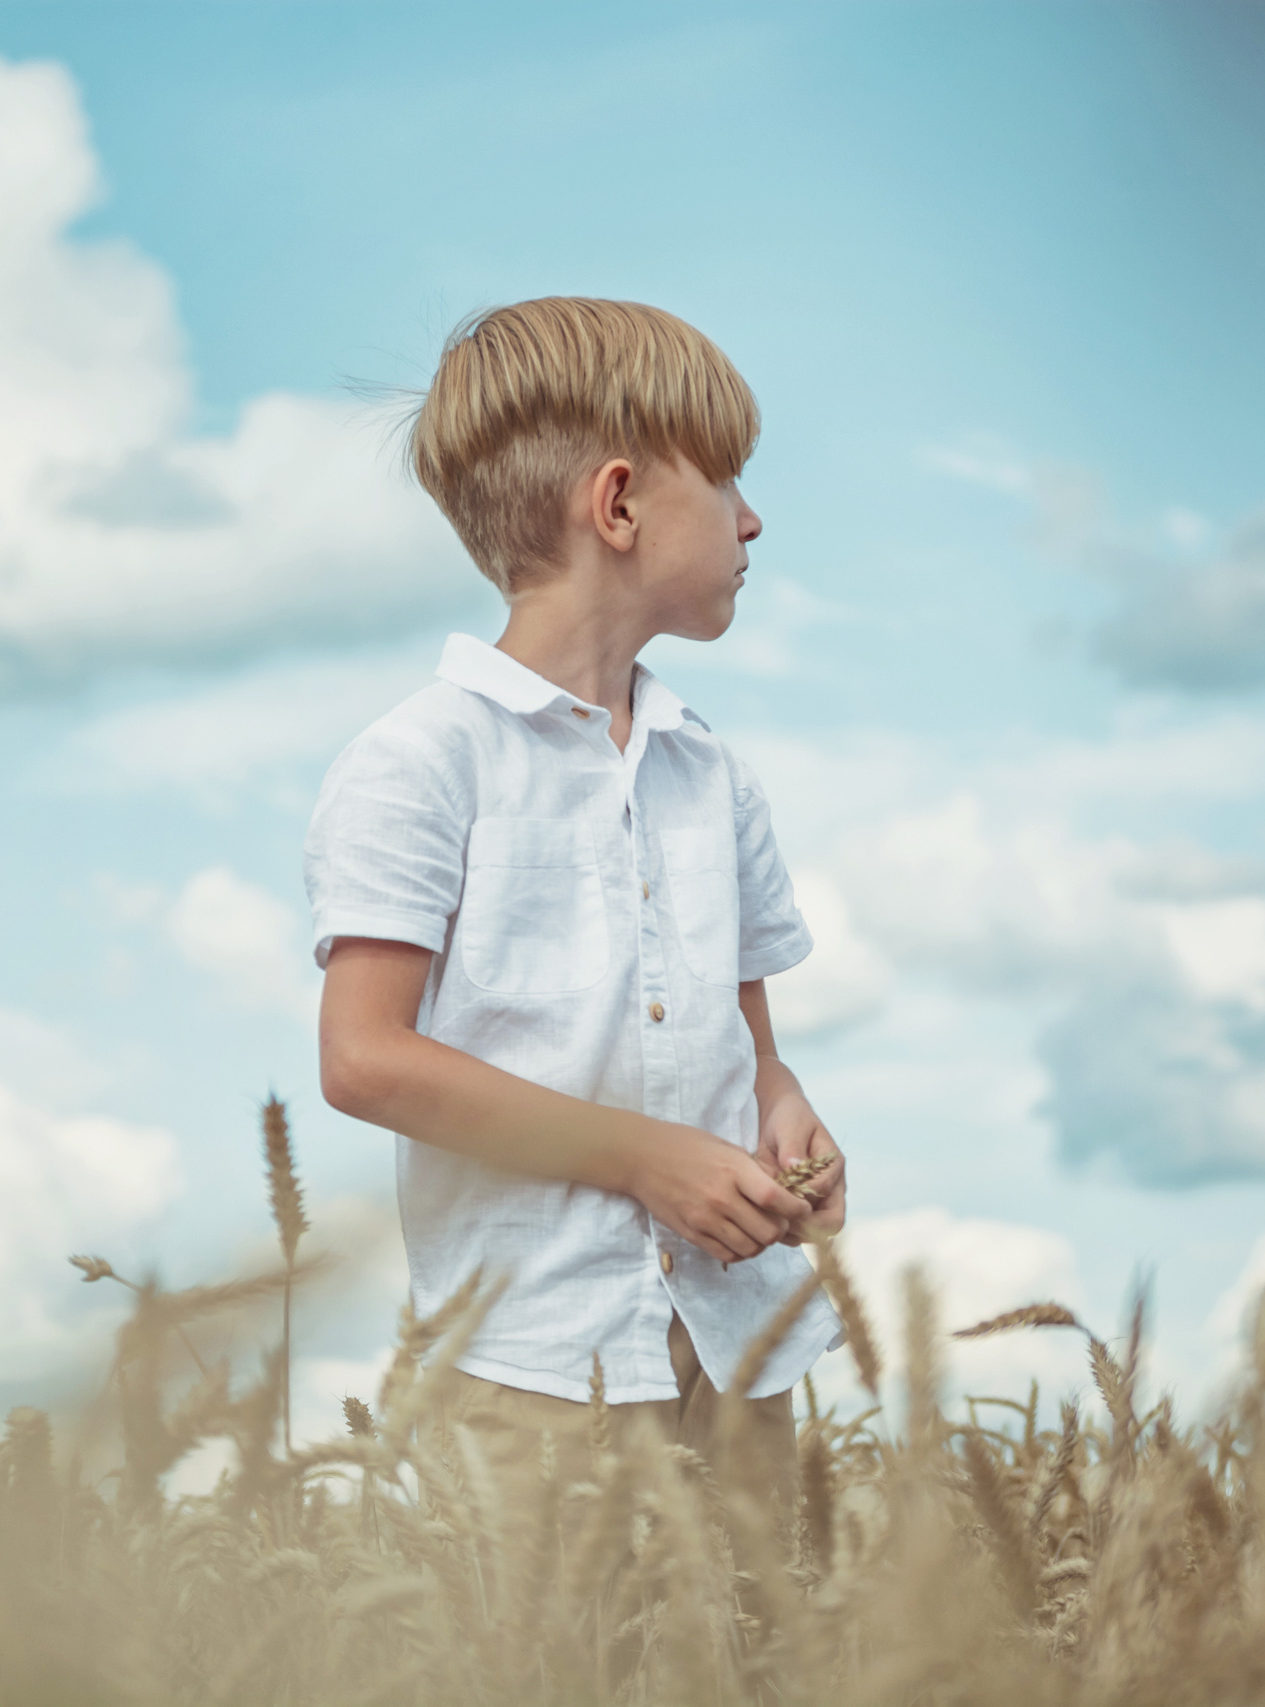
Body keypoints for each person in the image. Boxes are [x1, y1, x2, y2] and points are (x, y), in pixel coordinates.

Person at [305, 297, 847, 1531]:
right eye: (726, 481)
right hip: (533, 1367)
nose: (754, 518)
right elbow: (364, 1058)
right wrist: (643, 1159)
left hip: (735, 1341)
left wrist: (782, 1119)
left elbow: (751, 1049)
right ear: (616, 506)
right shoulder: (421, 761)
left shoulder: (712, 773)